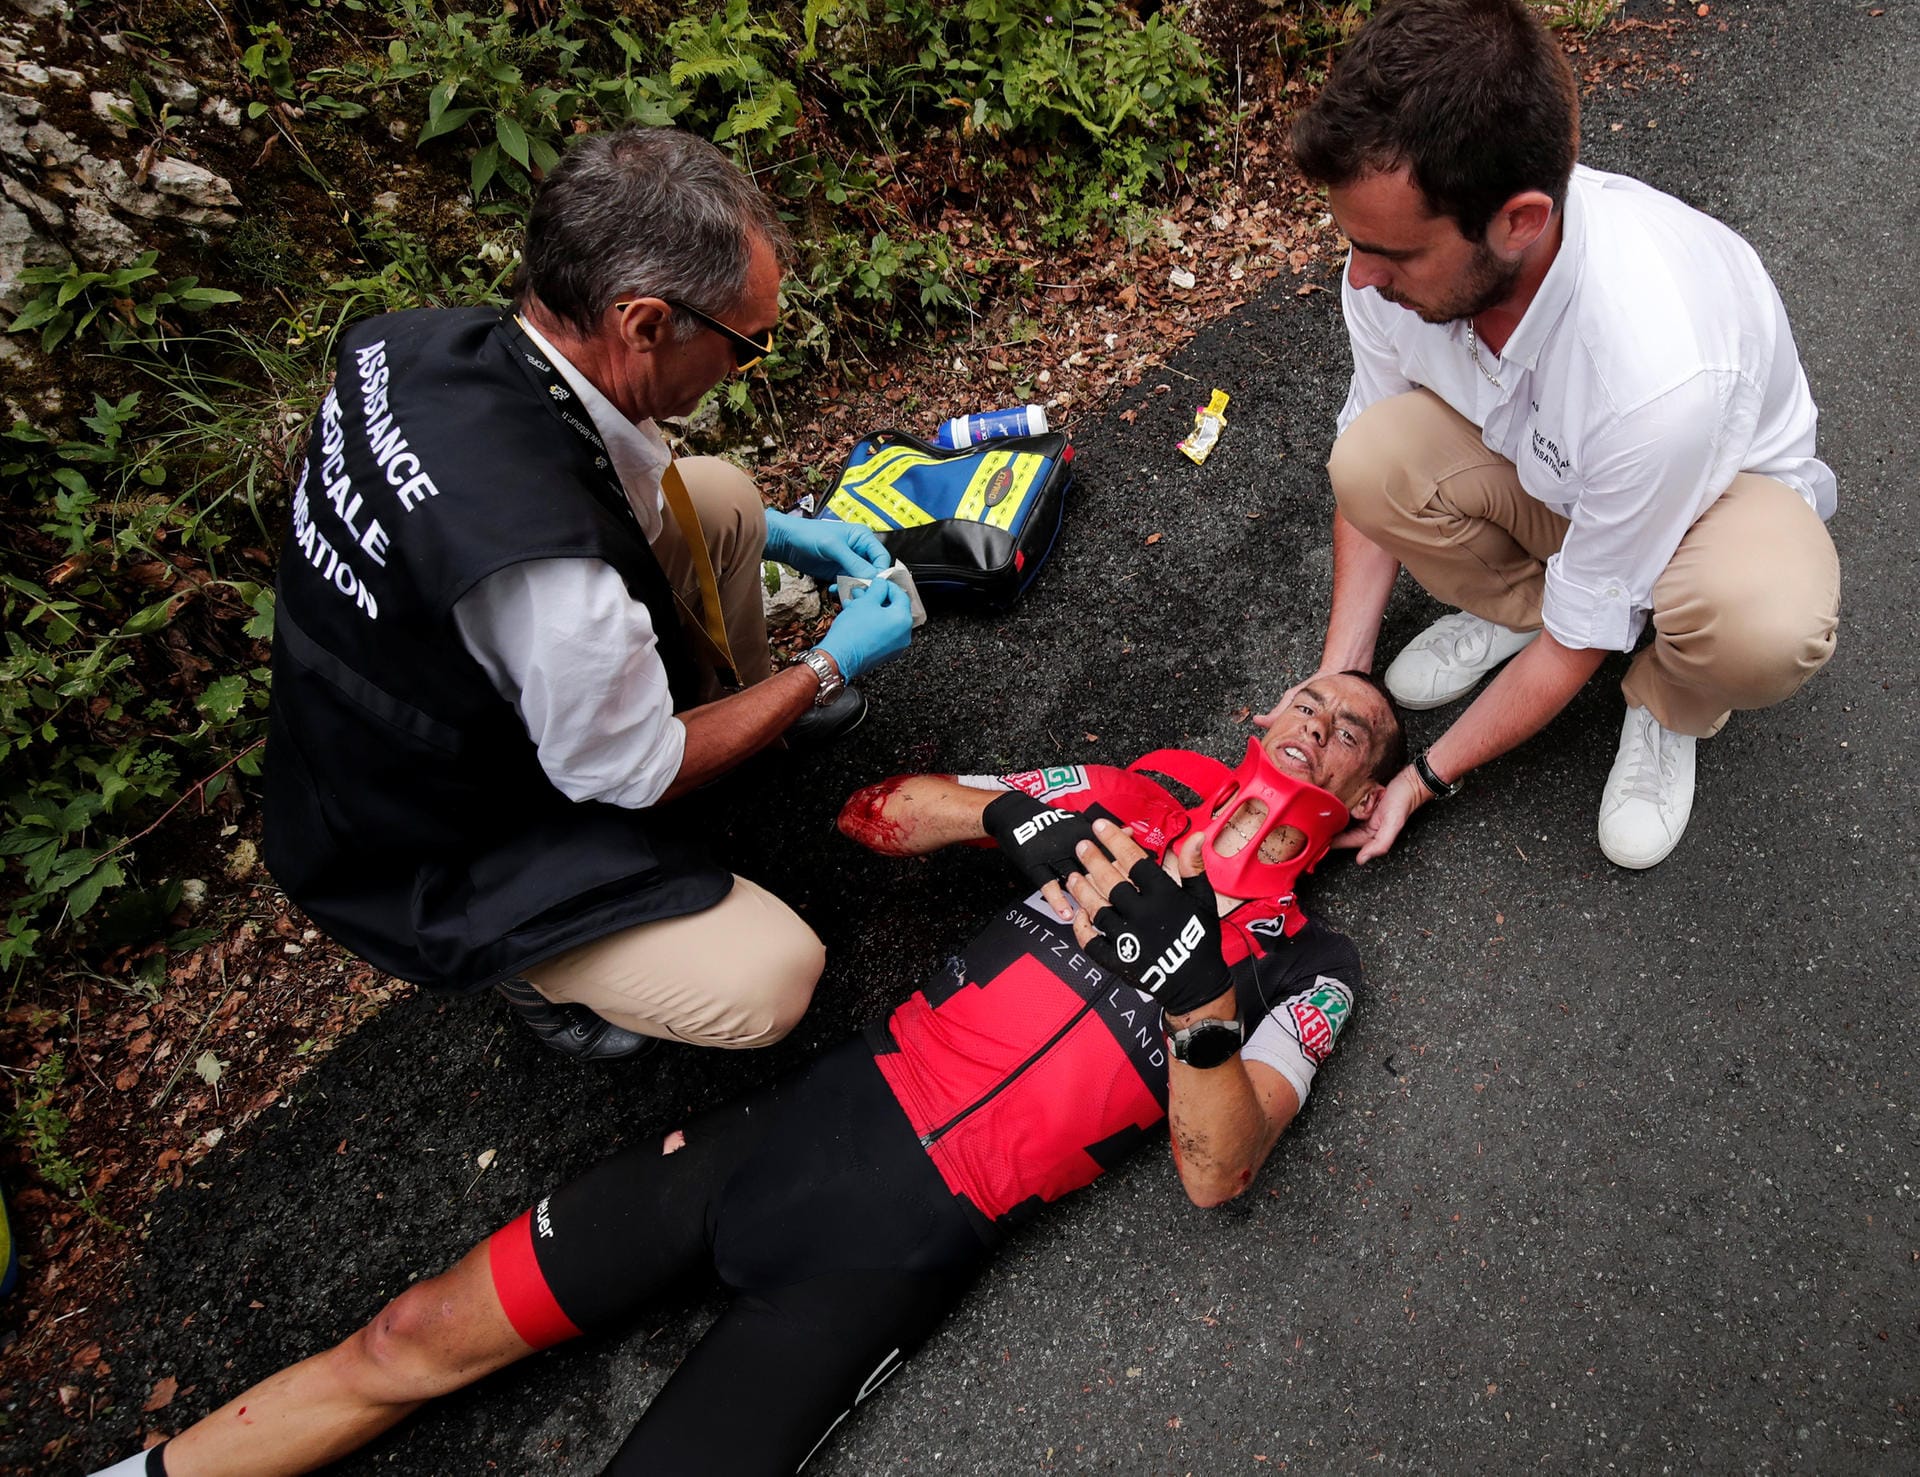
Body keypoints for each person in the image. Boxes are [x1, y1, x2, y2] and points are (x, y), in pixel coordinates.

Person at [87, 673, 1403, 1477]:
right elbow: (885, 811)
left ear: (1357, 807)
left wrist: (1197, 997)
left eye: (1356, 734)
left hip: (899, 1246)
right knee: (407, 1334)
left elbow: (1220, 1169)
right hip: (800, 1130)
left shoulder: (1317, 960)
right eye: (1311, 698)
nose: (1322, 723)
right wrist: (1008, 811)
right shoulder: (1145, 786)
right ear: (1259, 716)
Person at [263, 126, 917, 1064]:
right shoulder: (558, 589)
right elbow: (628, 771)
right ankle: (531, 970)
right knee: (771, 978)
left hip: (392, 700)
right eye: (747, 344)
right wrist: (826, 663)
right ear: (644, 322)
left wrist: (779, 529)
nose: (749, 365)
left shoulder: (428, 344)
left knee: (724, 499)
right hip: (426, 835)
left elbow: (585, 478)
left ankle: (740, 722)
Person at [1269, 0, 1839, 870]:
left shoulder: (1651, 372)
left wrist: (1421, 776)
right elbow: (1374, 459)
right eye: (1354, 242)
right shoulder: (1383, 267)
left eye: (1396, 253)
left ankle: (1668, 699)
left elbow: (1583, 641)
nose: (1362, 276)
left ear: (1520, 220)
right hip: (1567, 474)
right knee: (1370, 462)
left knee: (1759, 623)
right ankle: (1530, 606)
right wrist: (1338, 679)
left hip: (1712, 506)